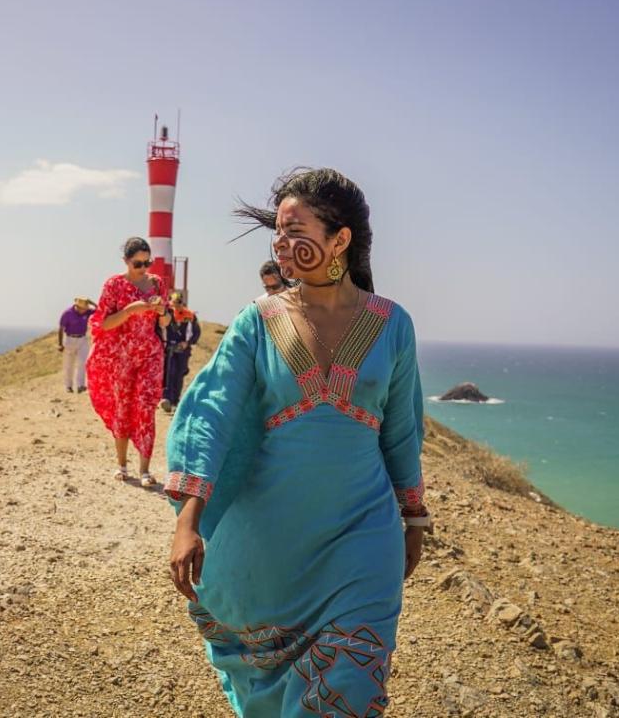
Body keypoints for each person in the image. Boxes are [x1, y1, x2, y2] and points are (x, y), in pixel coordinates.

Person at [165, 167, 430, 717]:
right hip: (272, 543)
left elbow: (402, 431)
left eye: (295, 232)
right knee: (276, 691)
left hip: (364, 536)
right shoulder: (257, 322)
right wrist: (189, 518)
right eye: (277, 234)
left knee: (349, 685)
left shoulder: (392, 324)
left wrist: (414, 517)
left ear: (340, 239)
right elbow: (213, 413)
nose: (281, 245)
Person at [86, 237, 172, 488]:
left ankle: (145, 470)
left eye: (147, 262)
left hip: (150, 353)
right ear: (126, 261)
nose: (144, 268)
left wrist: (162, 312)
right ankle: (122, 465)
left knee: (146, 406)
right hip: (121, 356)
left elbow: (166, 321)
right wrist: (129, 311)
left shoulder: (157, 283)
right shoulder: (114, 285)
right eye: (138, 263)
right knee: (123, 408)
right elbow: (103, 323)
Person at [159, 293, 201, 413]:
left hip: (183, 350)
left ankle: (175, 401)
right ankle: (166, 398)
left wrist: (187, 343)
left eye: (179, 302)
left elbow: (196, 332)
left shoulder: (190, 315)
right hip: (168, 348)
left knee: (179, 374)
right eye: (174, 302)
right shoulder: (166, 313)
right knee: (168, 372)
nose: (176, 305)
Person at [58, 296, 96, 392]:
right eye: (83, 308)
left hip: (82, 339)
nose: (85, 310)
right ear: (77, 307)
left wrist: (91, 302)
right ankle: (68, 386)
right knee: (68, 364)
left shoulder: (87, 312)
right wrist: (60, 344)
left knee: (83, 362)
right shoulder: (67, 313)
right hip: (69, 340)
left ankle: (80, 385)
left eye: (86, 308)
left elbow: (100, 310)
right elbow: (61, 329)